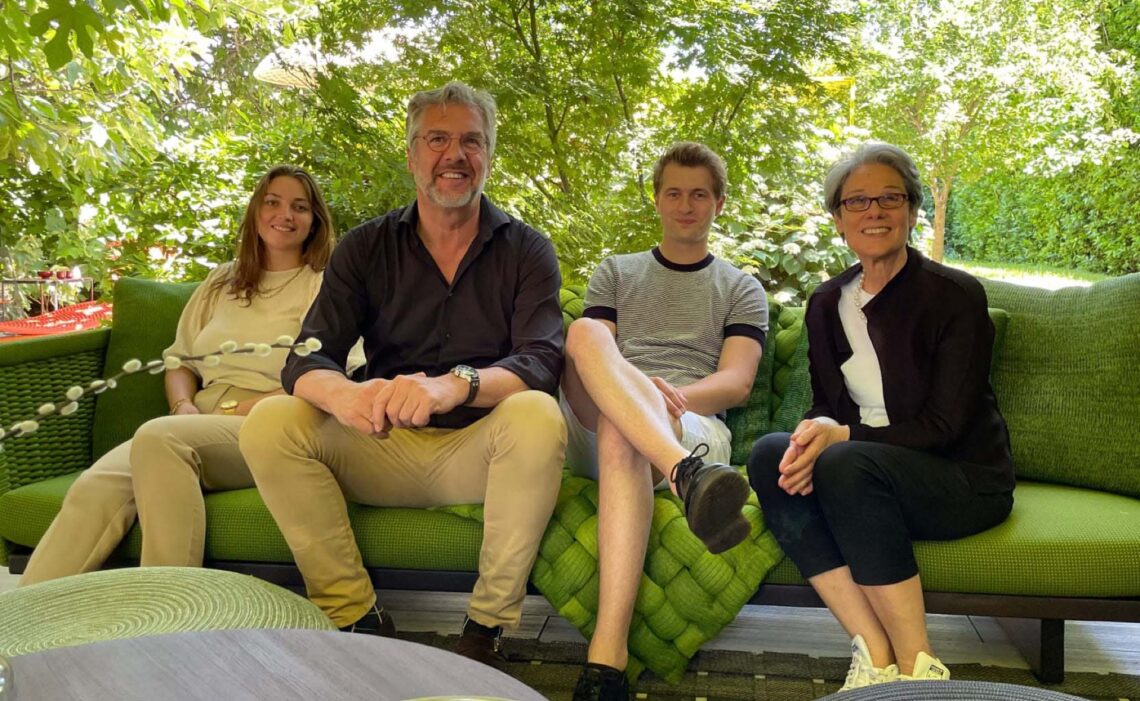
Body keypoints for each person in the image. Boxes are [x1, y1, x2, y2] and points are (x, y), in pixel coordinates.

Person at [237, 81, 567, 667]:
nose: (455, 155)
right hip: (380, 445)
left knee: (537, 412)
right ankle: (357, 620)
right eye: (437, 139)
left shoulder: (526, 249)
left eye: (471, 140)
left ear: (488, 155)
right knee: (272, 419)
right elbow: (306, 358)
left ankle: (485, 630)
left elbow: (540, 359)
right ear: (412, 154)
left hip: (480, 453)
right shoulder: (365, 247)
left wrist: (452, 385)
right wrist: (344, 396)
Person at [746, 142, 1015, 691]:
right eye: (858, 202)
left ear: (912, 210)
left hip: (959, 481)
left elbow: (946, 426)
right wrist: (814, 433)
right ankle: (873, 653)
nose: (875, 212)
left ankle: (920, 668)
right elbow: (826, 402)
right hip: (862, 476)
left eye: (889, 198)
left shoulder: (955, 296)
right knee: (773, 453)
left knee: (846, 463)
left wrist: (841, 437)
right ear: (838, 219)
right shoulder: (827, 303)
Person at [20, 164, 337, 585]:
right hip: (191, 418)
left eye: (300, 207)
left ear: (314, 221)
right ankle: (20, 629)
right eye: (273, 202)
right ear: (255, 211)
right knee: (96, 486)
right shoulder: (222, 281)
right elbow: (180, 361)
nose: (285, 214)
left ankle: (168, 621)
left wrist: (242, 409)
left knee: (159, 439)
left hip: (268, 421)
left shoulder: (322, 284)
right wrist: (183, 405)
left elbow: (331, 369)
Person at [563, 142, 767, 701]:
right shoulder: (615, 272)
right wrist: (632, 391)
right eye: (673, 192)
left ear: (719, 204)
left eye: (699, 194)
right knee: (584, 334)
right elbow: (590, 363)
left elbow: (737, 382)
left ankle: (605, 662)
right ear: (656, 199)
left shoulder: (741, 287)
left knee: (622, 429)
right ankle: (686, 475)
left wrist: (663, 399)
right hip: (613, 418)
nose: (685, 204)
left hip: (692, 422)